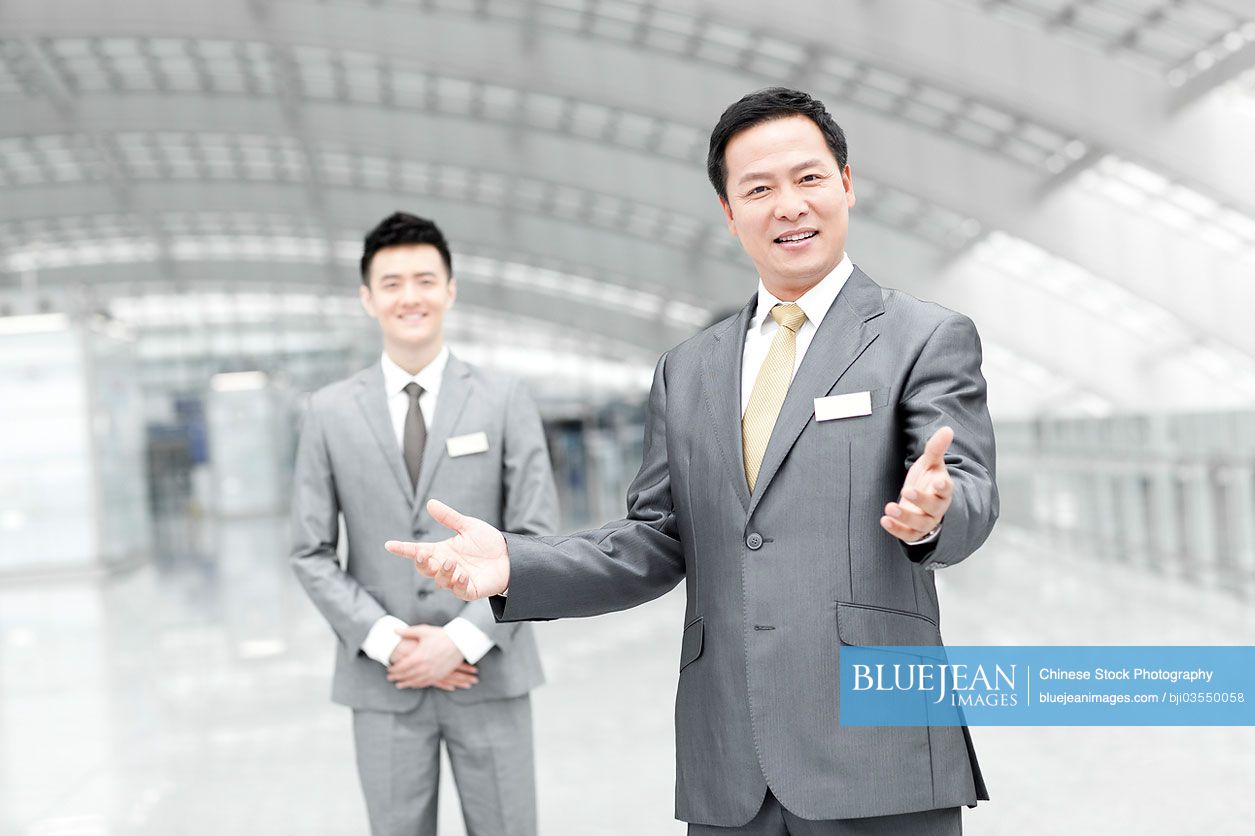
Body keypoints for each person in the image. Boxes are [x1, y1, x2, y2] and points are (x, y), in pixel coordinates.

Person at [387, 88, 998, 835]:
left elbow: (965, 489)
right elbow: (655, 537)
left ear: (845, 183)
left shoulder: (922, 337)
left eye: (807, 179)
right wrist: (515, 565)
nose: (788, 205)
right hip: (727, 759)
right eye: (759, 189)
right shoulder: (687, 370)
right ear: (728, 211)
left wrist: (933, 513)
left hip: (878, 750)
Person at [291, 211, 558, 836]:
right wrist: (387, 640)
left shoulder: (504, 398)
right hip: (384, 679)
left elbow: (536, 536)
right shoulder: (328, 412)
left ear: (450, 289)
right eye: (391, 283)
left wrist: (459, 641)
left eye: (424, 280)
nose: (409, 297)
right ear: (367, 297)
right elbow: (309, 549)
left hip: (491, 670)